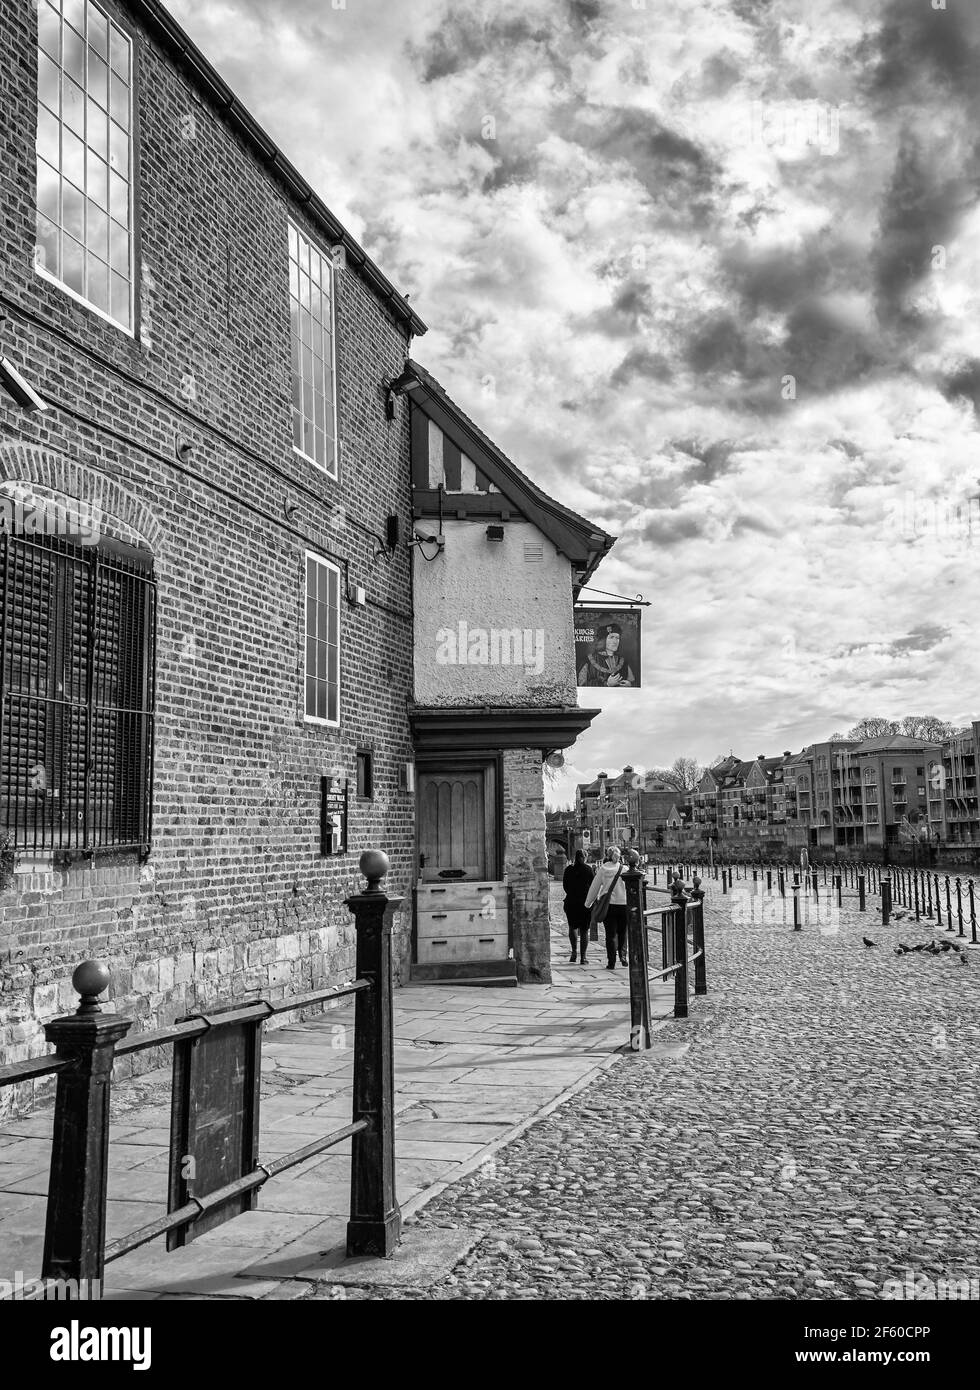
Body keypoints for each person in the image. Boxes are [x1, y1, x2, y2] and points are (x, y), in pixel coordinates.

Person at [584, 845, 629, 969]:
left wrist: (588, 903)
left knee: (610, 934)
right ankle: (623, 956)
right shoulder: (625, 869)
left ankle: (611, 962)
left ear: (607, 855)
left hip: (608, 906)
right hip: (624, 904)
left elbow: (595, 887)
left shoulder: (603, 869)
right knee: (623, 932)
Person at [562, 850, 595, 964]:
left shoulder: (568, 870)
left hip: (571, 902)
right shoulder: (588, 870)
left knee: (572, 927)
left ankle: (574, 952)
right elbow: (593, 886)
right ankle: (583, 957)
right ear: (584, 857)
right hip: (585, 903)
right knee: (584, 930)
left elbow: (565, 886)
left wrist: (572, 893)